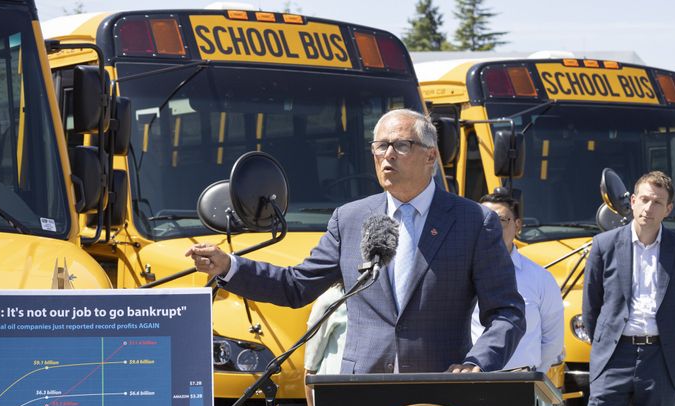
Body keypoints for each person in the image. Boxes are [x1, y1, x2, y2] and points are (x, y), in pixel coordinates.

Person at [186, 108, 525, 374]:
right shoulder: (350, 219)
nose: (387, 155)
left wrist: (477, 363)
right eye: (380, 146)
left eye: (401, 145)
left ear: (431, 156)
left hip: (438, 387)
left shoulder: (473, 222)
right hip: (360, 388)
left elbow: (507, 312)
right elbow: (296, 286)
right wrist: (230, 266)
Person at [578, 171, 675, 406]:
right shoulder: (605, 245)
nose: (648, 207)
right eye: (643, 198)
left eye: (657, 202)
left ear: (668, 208)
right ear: (632, 201)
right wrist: (605, 344)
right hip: (614, 357)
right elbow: (591, 306)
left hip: (661, 358)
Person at [470, 191, 564, 372]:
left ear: (517, 225)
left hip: (521, 379)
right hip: (473, 378)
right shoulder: (463, 274)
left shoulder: (540, 278)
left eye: (501, 220)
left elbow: (552, 341)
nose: (492, 227)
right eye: (484, 221)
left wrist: (532, 373)